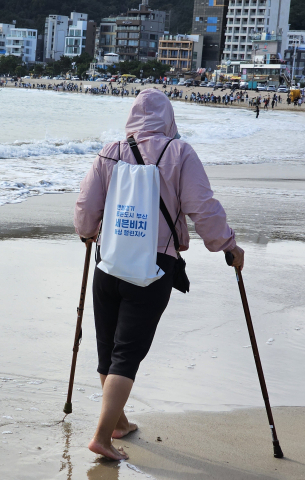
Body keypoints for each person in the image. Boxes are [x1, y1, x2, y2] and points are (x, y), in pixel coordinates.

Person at [74, 90, 244, 461]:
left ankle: (118, 423)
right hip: (153, 266)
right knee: (128, 353)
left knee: (109, 349)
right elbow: (203, 207)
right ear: (168, 118)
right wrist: (228, 246)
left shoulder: (111, 151)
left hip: (109, 260)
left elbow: (87, 205)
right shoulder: (179, 154)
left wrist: (86, 231)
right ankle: (103, 437)